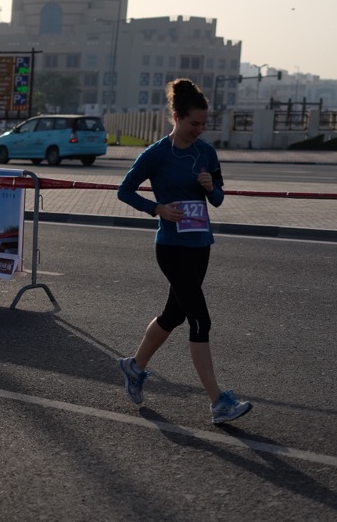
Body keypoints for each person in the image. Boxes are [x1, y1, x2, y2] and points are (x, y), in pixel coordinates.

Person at [116, 78, 253, 425]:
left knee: (173, 316)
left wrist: (211, 187)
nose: (199, 130)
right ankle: (218, 401)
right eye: (194, 123)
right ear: (176, 117)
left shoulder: (205, 151)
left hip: (200, 244)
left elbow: (219, 198)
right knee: (200, 320)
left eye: (204, 124)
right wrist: (157, 209)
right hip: (172, 248)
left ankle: (134, 367)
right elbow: (125, 191)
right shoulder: (157, 153)